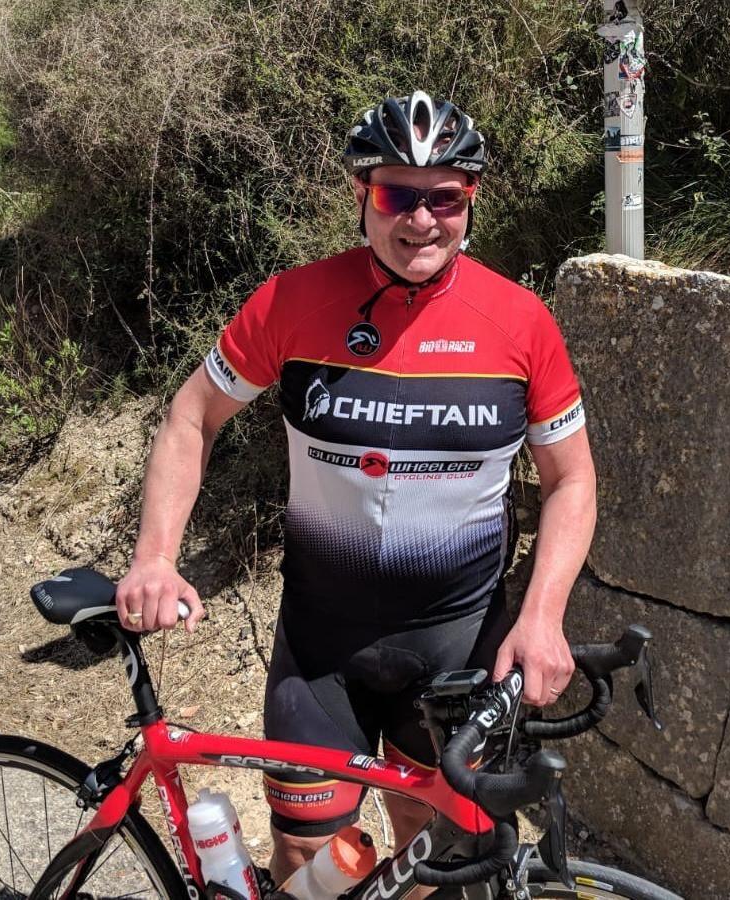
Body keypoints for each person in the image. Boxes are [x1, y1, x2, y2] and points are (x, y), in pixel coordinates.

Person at [114, 89, 596, 885]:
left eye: (444, 198)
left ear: (469, 200)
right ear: (363, 197)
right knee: (311, 858)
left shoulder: (520, 322)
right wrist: (156, 557)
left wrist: (544, 617)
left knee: (433, 859)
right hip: (321, 651)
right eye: (397, 195)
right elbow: (191, 419)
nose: (421, 220)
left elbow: (571, 477)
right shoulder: (291, 303)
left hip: (457, 644)